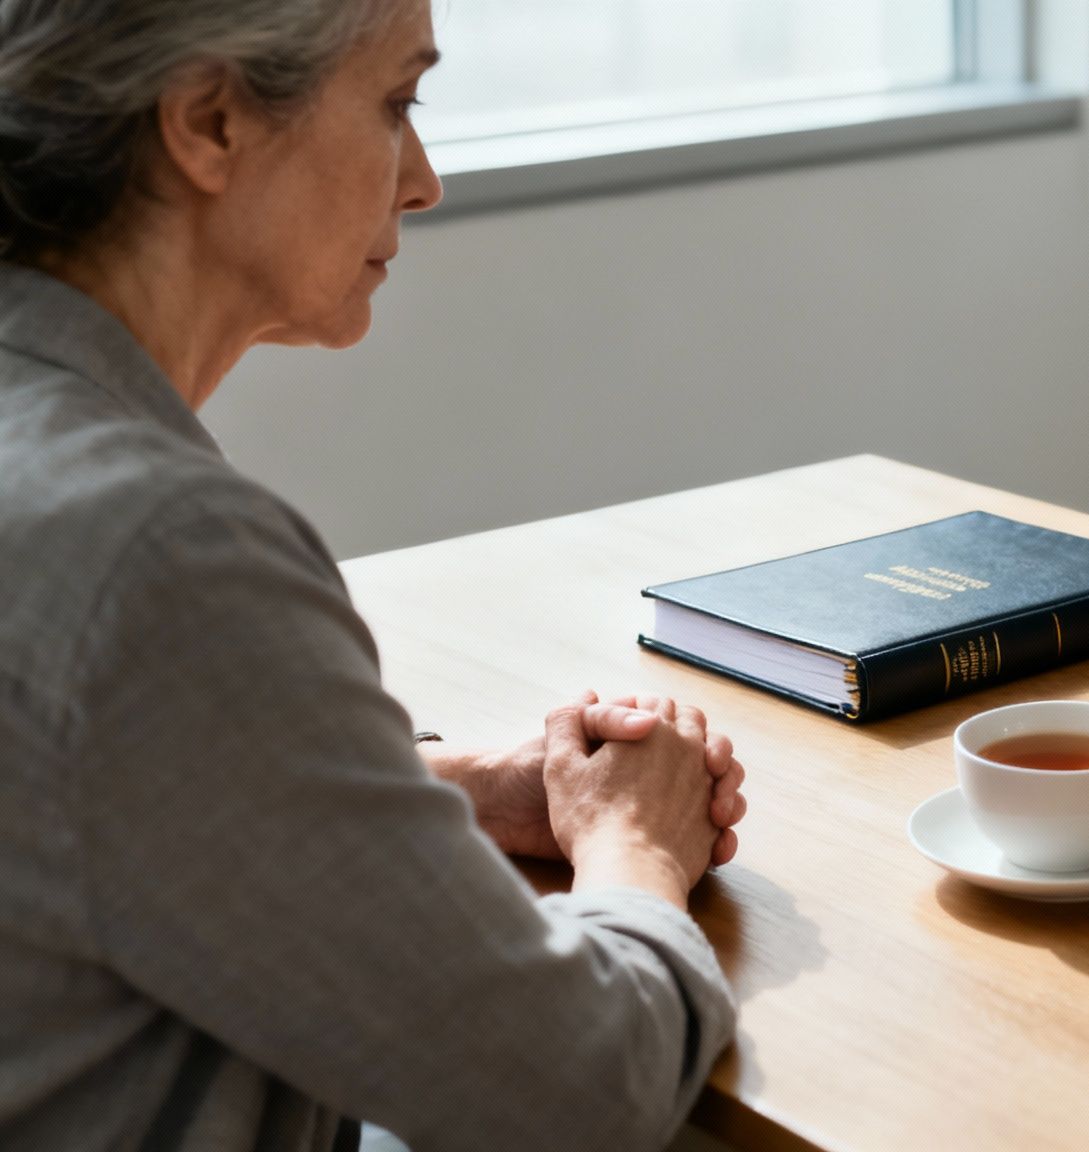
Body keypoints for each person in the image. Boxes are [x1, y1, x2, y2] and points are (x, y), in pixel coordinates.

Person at [0, 1, 748, 1149]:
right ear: (209, 122)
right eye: (397, 102)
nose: (424, 180)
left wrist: (451, 785)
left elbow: (83, 797)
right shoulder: (158, 555)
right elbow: (574, 1088)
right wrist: (637, 847)